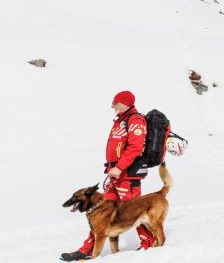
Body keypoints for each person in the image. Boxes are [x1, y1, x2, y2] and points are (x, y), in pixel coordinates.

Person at [60, 91, 155, 262]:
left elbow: (135, 147)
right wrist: (113, 169)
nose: (112, 105)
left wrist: (119, 167)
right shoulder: (120, 121)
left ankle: (149, 244)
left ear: (125, 103)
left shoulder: (136, 121)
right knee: (99, 211)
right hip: (115, 175)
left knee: (134, 212)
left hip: (127, 175)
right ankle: (88, 249)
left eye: (115, 102)